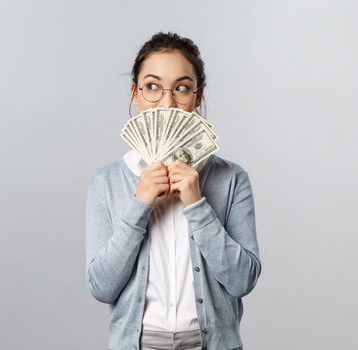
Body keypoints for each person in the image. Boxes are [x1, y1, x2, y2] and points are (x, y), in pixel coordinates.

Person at [85, 32, 261, 350]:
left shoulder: (230, 178)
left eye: (181, 88)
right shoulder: (107, 182)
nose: (167, 103)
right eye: (152, 87)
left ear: (198, 97)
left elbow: (242, 281)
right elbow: (101, 287)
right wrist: (140, 204)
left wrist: (197, 205)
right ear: (135, 94)